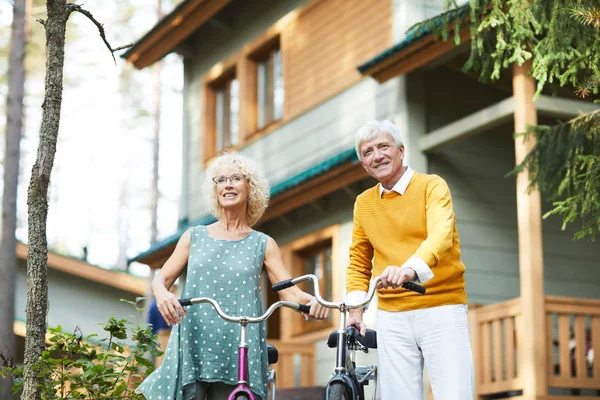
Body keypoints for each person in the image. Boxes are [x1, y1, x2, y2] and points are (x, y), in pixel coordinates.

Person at [137, 152, 328, 400]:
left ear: (251, 187)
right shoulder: (194, 237)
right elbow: (160, 280)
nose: (228, 184)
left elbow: (288, 290)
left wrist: (311, 302)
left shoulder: (263, 243)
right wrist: (161, 294)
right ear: (215, 190)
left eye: (236, 178)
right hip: (193, 343)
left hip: (238, 346)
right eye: (221, 179)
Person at [344, 120, 474, 400]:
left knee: (455, 394)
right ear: (364, 165)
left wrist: (409, 270)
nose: (376, 155)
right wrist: (355, 311)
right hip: (392, 315)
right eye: (367, 152)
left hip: (442, 306)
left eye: (383, 146)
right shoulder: (363, 203)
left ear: (401, 151)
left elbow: (441, 236)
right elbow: (358, 261)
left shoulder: (431, 186)